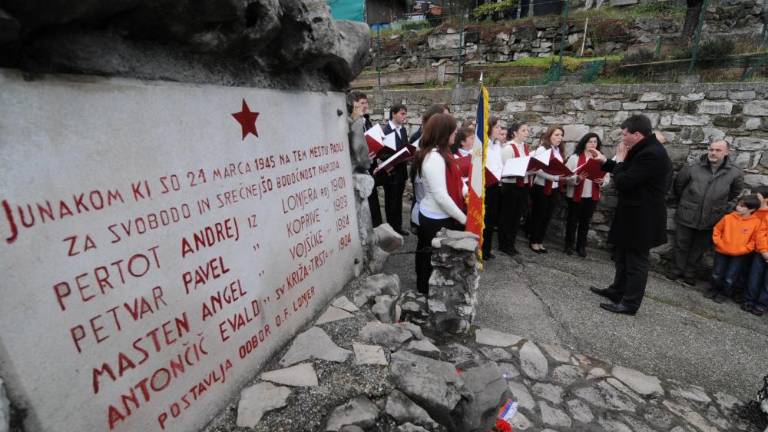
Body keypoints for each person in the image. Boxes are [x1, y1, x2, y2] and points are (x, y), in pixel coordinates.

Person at [588, 115, 673, 315]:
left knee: (636, 261)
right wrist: (605, 161)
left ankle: (630, 303)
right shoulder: (644, 149)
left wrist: (620, 160)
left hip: (643, 217)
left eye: (625, 135)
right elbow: (626, 171)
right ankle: (617, 291)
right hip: (633, 213)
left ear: (637, 134)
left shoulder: (651, 153)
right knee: (623, 256)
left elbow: (626, 180)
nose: (623, 139)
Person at [672, 139, 745, 285]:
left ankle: (690, 273)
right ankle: (676, 270)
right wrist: (689, 202)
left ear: (727, 152)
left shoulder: (735, 173)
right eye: (711, 149)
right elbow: (679, 185)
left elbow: (734, 192)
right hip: (688, 212)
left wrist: (719, 206)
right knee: (681, 243)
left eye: (718, 150)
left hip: (711, 217)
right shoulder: (693, 167)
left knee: (699, 247)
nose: (713, 153)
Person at [412, 113, 467, 295]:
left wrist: (467, 192)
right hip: (435, 218)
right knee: (430, 258)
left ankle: (429, 289)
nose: (456, 134)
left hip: (441, 214)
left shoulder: (444, 153)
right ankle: (425, 291)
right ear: (444, 133)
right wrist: (463, 219)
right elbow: (441, 196)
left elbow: (455, 182)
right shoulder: (434, 158)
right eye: (453, 131)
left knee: (433, 256)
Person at [704, 195, 762, 303]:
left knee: (730, 277)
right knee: (716, 273)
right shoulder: (728, 218)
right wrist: (719, 243)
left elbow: (754, 241)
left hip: (739, 255)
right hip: (722, 251)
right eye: (739, 204)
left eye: (742, 206)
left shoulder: (756, 223)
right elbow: (717, 230)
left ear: (752, 209)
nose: (738, 207)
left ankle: (724, 293)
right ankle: (713, 289)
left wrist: (743, 250)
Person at [564, 133, 608, 257]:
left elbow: (607, 177)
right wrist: (577, 178)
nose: (593, 144)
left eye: (595, 142)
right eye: (590, 142)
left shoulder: (601, 158)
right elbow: (566, 176)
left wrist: (602, 182)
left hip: (591, 195)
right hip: (575, 194)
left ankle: (581, 247)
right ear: (584, 143)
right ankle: (568, 245)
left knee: (585, 222)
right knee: (572, 221)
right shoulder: (574, 158)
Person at [529, 125, 568, 254]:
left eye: (561, 135)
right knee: (538, 215)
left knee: (547, 216)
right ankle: (534, 241)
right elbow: (537, 169)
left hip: (555, 187)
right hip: (541, 186)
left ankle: (540, 241)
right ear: (549, 135)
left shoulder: (559, 151)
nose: (559, 137)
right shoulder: (542, 149)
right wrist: (552, 177)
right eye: (556, 135)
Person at [499, 122, 532, 256]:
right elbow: (505, 170)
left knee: (517, 216)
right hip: (510, 186)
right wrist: (526, 171)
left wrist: (530, 169)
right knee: (507, 216)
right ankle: (504, 244)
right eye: (523, 130)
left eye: (527, 130)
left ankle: (511, 243)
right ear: (514, 133)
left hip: (522, 185)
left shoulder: (524, 147)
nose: (526, 133)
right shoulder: (508, 148)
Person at [349, 92, 381, 226]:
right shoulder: (351, 122)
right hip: (360, 166)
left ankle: (377, 223)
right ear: (354, 105)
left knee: (374, 198)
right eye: (362, 103)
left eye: (366, 103)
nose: (365, 106)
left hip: (371, 163)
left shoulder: (367, 120)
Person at [380, 104, 410, 236]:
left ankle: (398, 226)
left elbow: (405, 147)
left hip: (401, 172)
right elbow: (381, 154)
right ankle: (391, 229)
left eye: (405, 114)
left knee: (398, 202)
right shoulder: (385, 131)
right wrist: (395, 156)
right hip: (390, 173)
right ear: (393, 114)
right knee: (390, 202)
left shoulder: (402, 130)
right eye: (402, 113)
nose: (405, 116)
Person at [742, 186, 768, 315]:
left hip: (762, 251)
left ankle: (761, 304)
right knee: (754, 277)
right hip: (761, 251)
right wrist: (764, 251)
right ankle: (749, 300)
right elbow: (762, 233)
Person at [482, 117, 505, 260]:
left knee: (491, 219)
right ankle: (481, 249)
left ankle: (487, 249)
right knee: (484, 219)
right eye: (497, 127)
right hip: (486, 185)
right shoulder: (483, 145)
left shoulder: (497, 146)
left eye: (500, 127)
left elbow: (499, 165)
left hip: (497, 184)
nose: (500, 130)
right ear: (489, 128)